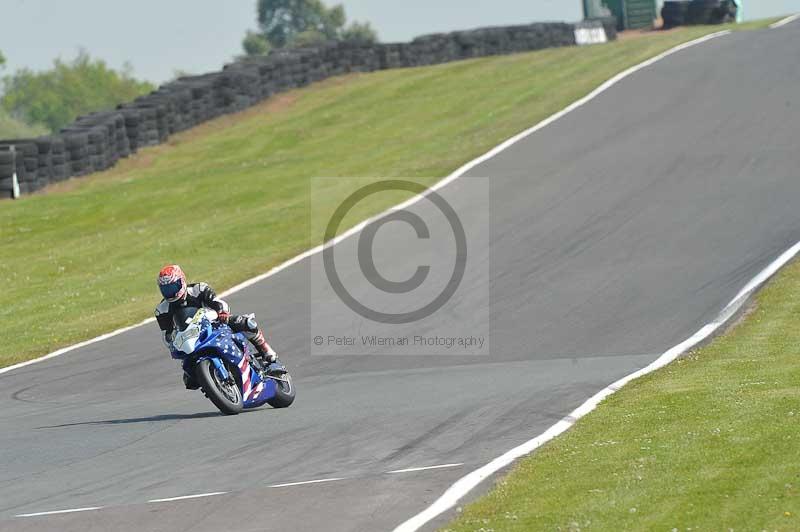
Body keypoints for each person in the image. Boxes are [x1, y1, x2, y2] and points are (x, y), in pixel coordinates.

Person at [154, 264, 286, 389]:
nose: (170, 292)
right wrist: (172, 344)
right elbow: (167, 334)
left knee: (246, 323)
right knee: (189, 379)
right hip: (191, 340)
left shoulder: (198, 289)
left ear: (182, 281)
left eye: (173, 287)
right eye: (166, 289)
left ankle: (270, 358)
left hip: (214, 326)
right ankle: (213, 384)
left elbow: (217, 302)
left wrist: (222, 312)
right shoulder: (162, 309)